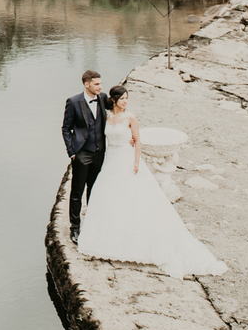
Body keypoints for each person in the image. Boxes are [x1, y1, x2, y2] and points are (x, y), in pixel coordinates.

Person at [77, 85, 227, 278]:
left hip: (126, 158)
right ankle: (107, 239)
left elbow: (137, 140)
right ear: (113, 100)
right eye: (122, 99)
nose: (125, 102)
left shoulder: (131, 117)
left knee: (134, 197)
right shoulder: (106, 117)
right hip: (111, 160)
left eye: (127, 98)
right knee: (110, 196)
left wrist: (137, 161)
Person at [61, 70, 106, 244]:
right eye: (96, 84)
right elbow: (66, 128)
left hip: (99, 153)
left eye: (101, 83)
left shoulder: (103, 98)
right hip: (82, 153)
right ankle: (75, 228)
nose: (100, 87)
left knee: (94, 191)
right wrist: (72, 152)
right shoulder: (73, 102)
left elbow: (116, 115)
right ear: (86, 84)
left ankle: (93, 225)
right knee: (76, 193)